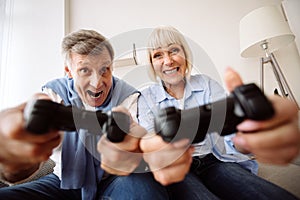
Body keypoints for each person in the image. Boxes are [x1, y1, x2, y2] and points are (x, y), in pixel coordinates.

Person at [0, 29, 170, 200]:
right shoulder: (53, 94)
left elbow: (143, 145)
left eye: (105, 69)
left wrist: (136, 147)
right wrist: (15, 149)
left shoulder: (129, 97)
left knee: (143, 189)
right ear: (69, 71)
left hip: (115, 179)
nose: (97, 82)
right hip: (62, 181)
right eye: (84, 70)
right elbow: (17, 167)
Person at [137, 26, 300, 200]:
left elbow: (231, 135)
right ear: (152, 64)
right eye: (158, 55)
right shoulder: (146, 98)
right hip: (179, 168)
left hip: (214, 161)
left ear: (185, 54)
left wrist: (245, 140)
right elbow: (150, 141)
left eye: (174, 50)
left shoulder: (206, 84)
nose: (168, 61)